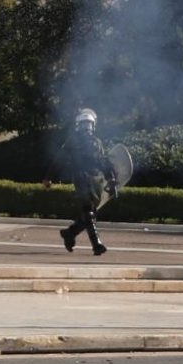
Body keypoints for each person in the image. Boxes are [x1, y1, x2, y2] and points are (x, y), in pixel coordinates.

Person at [58, 109, 117, 257]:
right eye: (85, 125)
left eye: (89, 125)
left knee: (91, 214)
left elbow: (104, 161)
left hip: (96, 180)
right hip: (80, 178)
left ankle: (69, 233)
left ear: (93, 126)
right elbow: (58, 159)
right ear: (79, 126)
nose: (87, 128)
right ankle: (96, 244)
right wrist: (48, 177)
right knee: (88, 212)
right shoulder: (72, 142)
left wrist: (111, 179)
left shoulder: (97, 142)